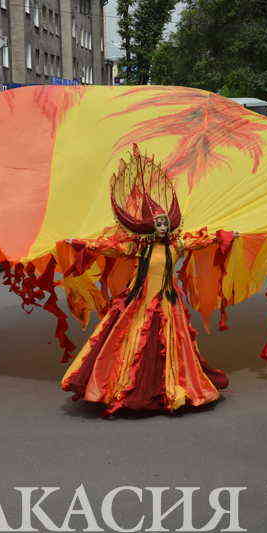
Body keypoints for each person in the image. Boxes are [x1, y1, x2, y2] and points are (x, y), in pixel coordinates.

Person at [61, 152, 229, 415]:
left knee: (172, 347)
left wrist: (225, 236)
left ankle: (174, 387)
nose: (162, 225)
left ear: (169, 224)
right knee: (131, 343)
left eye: (165, 222)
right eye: (158, 222)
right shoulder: (138, 247)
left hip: (168, 303)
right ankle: (120, 387)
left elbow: (204, 239)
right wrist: (82, 244)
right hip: (138, 302)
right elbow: (109, 248)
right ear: (151, 225)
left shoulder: (178, 244)